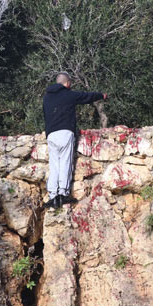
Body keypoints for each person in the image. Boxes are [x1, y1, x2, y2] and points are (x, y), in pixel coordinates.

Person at [42, 72, 107, 209]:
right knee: (65, 162)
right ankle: (64, 194)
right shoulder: (68, 94)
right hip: (65, 132)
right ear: (67, 83)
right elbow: (86, 96)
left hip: (51, 134)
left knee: (54, 165)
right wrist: (101, 95)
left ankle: (53, 197)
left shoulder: (46, 97)